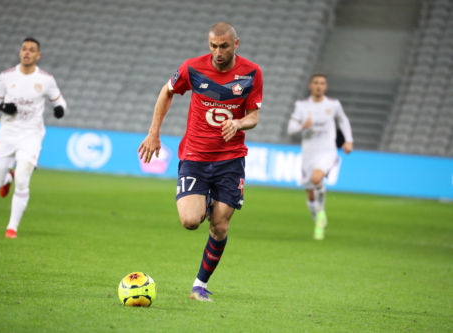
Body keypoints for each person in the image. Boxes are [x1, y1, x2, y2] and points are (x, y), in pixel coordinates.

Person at [138, 22, 263, 302]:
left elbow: (254, 116)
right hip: (195, 156)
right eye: (213, 46)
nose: (217, 52)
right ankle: (203, 201)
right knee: (190, 221)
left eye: (224, 46)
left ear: (236, 44)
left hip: (230, 160)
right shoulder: (192, 68)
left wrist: (239, 122)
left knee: (220, 226)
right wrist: (153, 132)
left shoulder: (252, 73)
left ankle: (199, 285)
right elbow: (166, 91)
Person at [0, 37, 67, 238]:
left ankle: (11, 228)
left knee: (23, 179)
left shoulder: (46, 79)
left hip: (31, 136)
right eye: (24, 49)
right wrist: (2, 106)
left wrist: (59, 109)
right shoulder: (6, 77)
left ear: (38, 55)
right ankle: (7, 177)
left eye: (32, 50)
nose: (27, 52)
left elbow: (60, 102)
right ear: (20, 52)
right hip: (7, 135)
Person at [287, 74, 353, 240]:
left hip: (327, 150)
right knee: (310, 194)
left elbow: (343, 120)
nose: (319, 86)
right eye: (316, 83)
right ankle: (318, 223)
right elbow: (290, 129)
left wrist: (348, 141)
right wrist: (304, 126)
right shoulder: (301, 105)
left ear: (326, 86)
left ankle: (321, 211)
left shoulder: (333, 104)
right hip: (309, 153)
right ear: (310, 85)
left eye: (322, 83)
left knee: (317, 179)